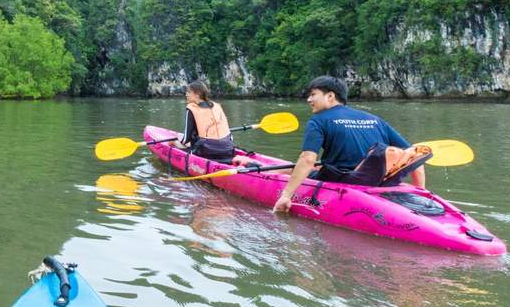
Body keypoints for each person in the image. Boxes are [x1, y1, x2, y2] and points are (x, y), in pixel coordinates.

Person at [273, 76, 427, 213]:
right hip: (377, 181)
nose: (309, 99)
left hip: (343, 181)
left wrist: (286, 196)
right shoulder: (374, 119)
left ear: (330, 96)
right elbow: (414, 155)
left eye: (313, 95)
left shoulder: (318, 120)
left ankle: (258, 169)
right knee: (317, 166)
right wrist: (420, 193)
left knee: (289, 171)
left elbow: (307, 159)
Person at [175, 80, 235, 163]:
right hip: (228, 150)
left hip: (207, 152)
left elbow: (185, 140)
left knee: (175, 142)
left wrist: (178, 138)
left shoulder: (191, 109)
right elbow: (230, 136)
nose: (186, 94)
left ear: (197, 94)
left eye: (189, 92)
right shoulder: (217, 106)